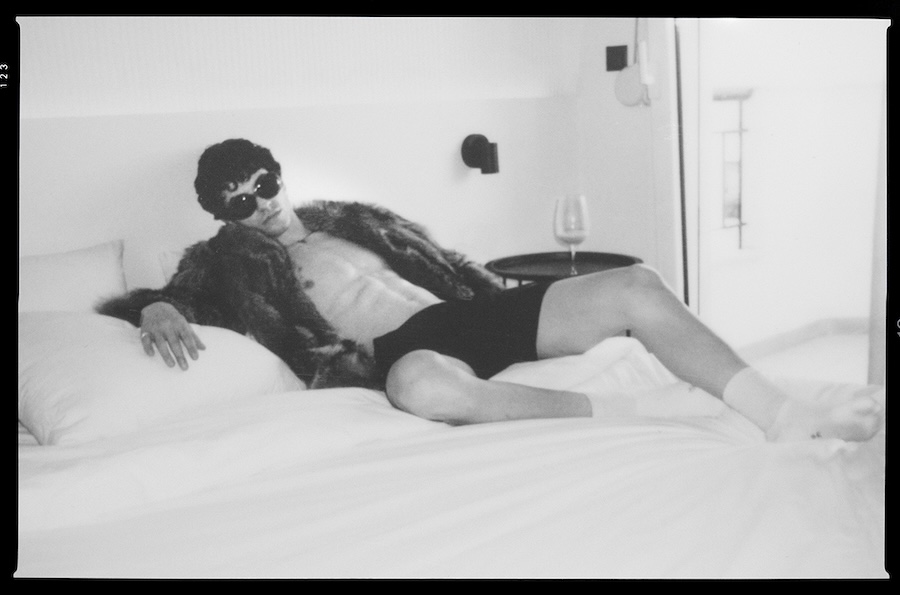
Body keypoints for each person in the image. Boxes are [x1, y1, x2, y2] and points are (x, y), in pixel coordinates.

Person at [98, 138, 883, 443]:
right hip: (393, 348)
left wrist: (502, 293)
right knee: (424, 388)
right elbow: (172, 294)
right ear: (222, 215)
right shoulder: (226, 261)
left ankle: (782, 411)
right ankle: (636, 412)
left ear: (279, 176)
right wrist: (156, 305)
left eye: (263, 184)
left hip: (467, 312)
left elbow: (447, 262)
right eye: (238, 201)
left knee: (637, 286)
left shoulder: (356, 218)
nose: (259, 204)